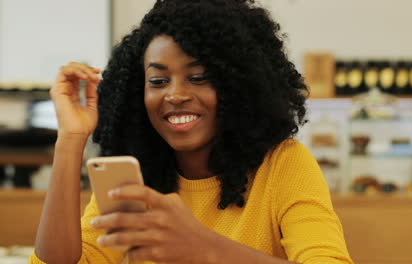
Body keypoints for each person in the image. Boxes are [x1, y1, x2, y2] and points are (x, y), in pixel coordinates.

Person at [30, 0, 354, 263]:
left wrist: (205, 248)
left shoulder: (283, 165)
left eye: (198, 77)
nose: (175, 95)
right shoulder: (135, 175)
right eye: (158, 81)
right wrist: (71, 139)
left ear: (239, 86)